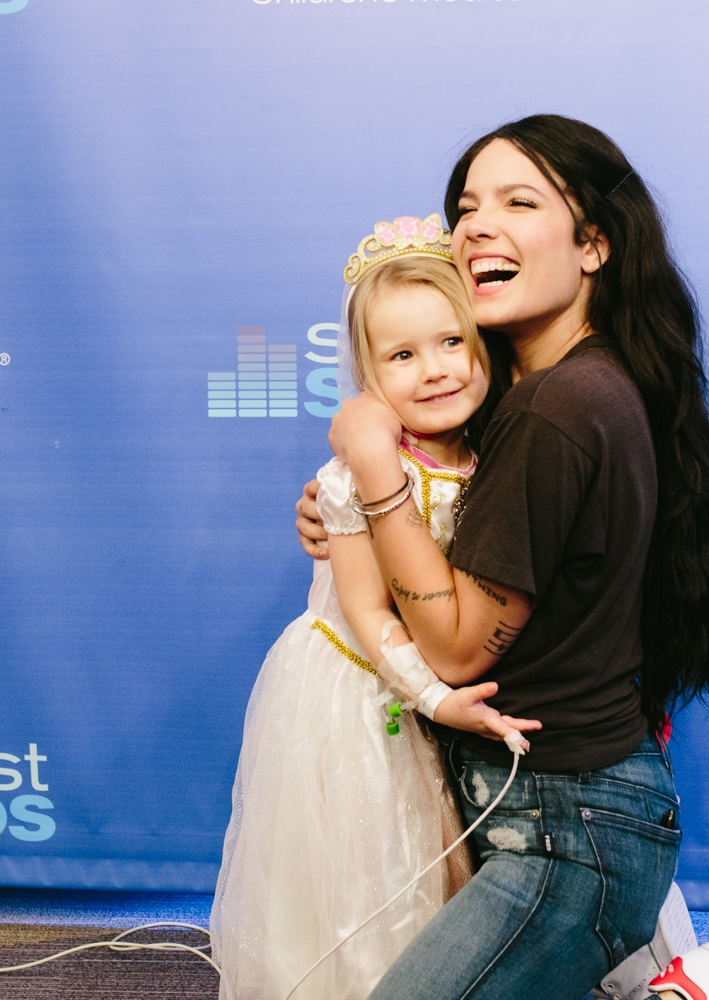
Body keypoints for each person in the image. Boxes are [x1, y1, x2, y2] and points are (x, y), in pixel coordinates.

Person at [303, 115, 709, 1000]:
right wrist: (351, 511)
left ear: (594, 244)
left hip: (566, 836)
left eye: (519, 201)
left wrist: (374, 477)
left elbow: (460, 648)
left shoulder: (556, 410)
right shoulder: (565, 389)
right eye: (466, 208)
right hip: (557, 812)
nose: (478, 226)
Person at [212, 216, 542, 1000]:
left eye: (450, 343)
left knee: (439, 865)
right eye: (401, 356)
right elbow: (366, 609)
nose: (433, 371)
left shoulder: (504, 449)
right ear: (365, 375)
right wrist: (435, 699)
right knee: (359, 871)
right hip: (360, 695)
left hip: (437, 691)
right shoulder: (355, 473)